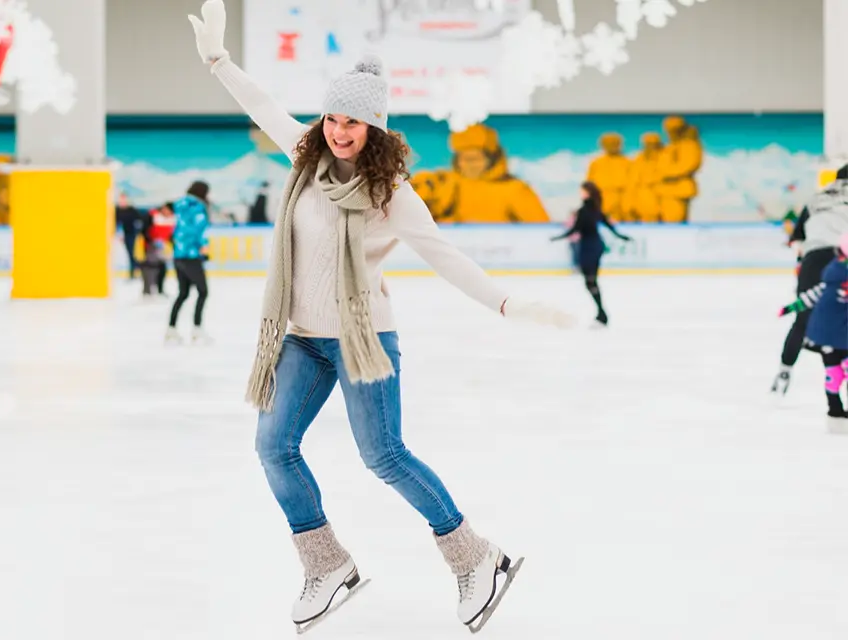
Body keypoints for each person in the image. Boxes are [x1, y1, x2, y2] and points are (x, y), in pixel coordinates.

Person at [187, 0, 576, 632]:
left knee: (384, 455)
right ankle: (326, 564)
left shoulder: (391, 195)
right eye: (332, 117)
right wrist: (218, 60)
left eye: (354, 121)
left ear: (375, 128)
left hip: (362, 338)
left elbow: (445, 257)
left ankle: (477, 558)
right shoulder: (304, 160)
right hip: (302, 339)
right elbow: (261, 103)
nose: (339, 130)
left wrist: (507, 303)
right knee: (273, 445)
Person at [773, 164, 848, 396]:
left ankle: (784, 370)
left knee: (803, 319)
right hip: (843, 259)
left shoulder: (816, 199)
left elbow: (797, 237)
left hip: (812, 258)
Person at [778, 232, 848, 434]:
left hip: (830, 335)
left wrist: (791, 308)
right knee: (834, 374)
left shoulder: (831, 275)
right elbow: (812, 296)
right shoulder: (832, 277)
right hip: (829, 336)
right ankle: (835, 412)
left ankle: (835, 412)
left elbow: (811, 296)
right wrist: (791, 308)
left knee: (835, 373)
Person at [551, 182, 631, 327]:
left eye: (582, 190)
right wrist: (621, 236)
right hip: (596, 246)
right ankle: (601, 313)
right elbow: (609, 226)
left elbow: (574, 229)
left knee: (590, 281)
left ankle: (602, 313)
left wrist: (558, 237)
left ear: (587, 192)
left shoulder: (584, 211)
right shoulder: (595, 209)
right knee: (591, 281)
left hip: (588, 248)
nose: (580, 193)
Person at [165, 181, 212, 345]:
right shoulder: (198, 206)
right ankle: (197, 329)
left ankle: (171, 329)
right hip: (191, 255)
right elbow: (199, 230)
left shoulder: (180, 204)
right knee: (203, 291)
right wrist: (204, 247)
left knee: (183, 293)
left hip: (178, 255)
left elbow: (178, 228)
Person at [115, 192, 142, 281]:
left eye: (124, 198)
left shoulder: (132, 210)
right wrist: (118, 233)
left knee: (131, 254)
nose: (123, 200)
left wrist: (137, 232)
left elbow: (138, 222)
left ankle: (133, 272)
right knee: (123, 255)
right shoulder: (116, 210)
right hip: (118, 236)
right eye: (121, 198)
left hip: (131, 234)